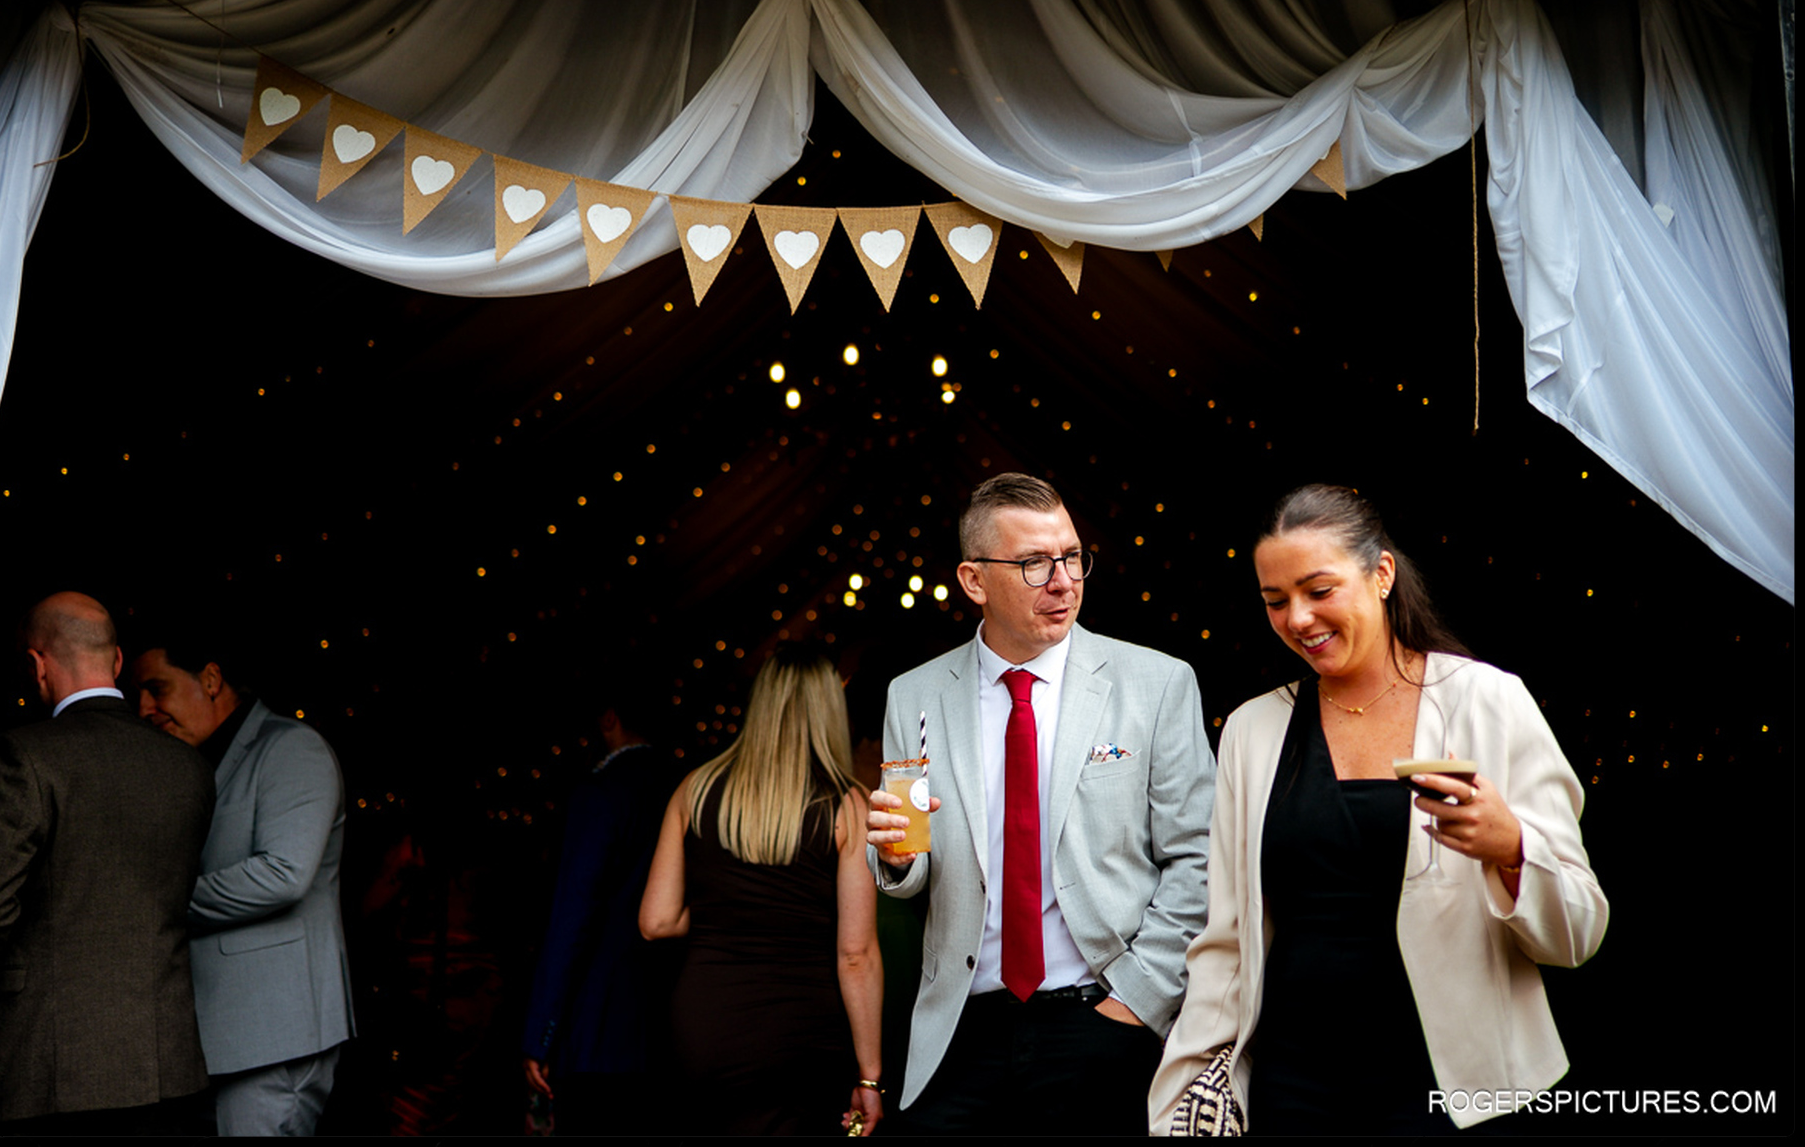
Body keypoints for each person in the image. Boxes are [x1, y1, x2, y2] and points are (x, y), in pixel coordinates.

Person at [1149, 484, 1610, 1134]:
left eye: (1319, 590)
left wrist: (1512, 848)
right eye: (1275, 602)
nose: (1298, 619)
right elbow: (1226, 941)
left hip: (1451, 1091)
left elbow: (1579, 932)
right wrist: (1187, 1084)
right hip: (1293, 1085)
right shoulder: (1253, 731)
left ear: (1382, 574)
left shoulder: (1488, 702)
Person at [865, 472, 1215, 1135]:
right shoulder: (914, 696)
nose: (1064, 580)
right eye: (1033, 563)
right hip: (962, 1032)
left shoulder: (1156, 684)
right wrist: (894, 855)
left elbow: (1199, 857)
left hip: (1104, 1018)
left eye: (1073, 556)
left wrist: (1133, 1005)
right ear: (974, 582)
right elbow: (911, 870)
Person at [0, 592, 216, 1131]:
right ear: (117, 662)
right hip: (172, 1065)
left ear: (35, 664)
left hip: (52, 1066)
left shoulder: (25, 755)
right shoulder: (189, 767)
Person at [639, 646, 884, 1136]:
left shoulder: (695, 788)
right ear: (827, 711)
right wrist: (869, 1076)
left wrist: (720, 907)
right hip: (802, 1033)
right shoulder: (847, 804)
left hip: (705, 1022)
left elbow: (656, 921)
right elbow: (856, 954)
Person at [133, 633, 356, 1136]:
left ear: (210, 679)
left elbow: (283, 875)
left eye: (156, 689)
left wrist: (155, 902)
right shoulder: (192, 761)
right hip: (213, 1040)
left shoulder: (291, 748)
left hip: (275, 1038)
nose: (144, 708)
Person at [521, 705, 673, 1135]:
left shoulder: (601, 791)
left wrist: (540, 1034)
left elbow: (573, 914)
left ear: (609, 719)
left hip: (598, 1022)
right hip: (668, 1020)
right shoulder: (682, 784)